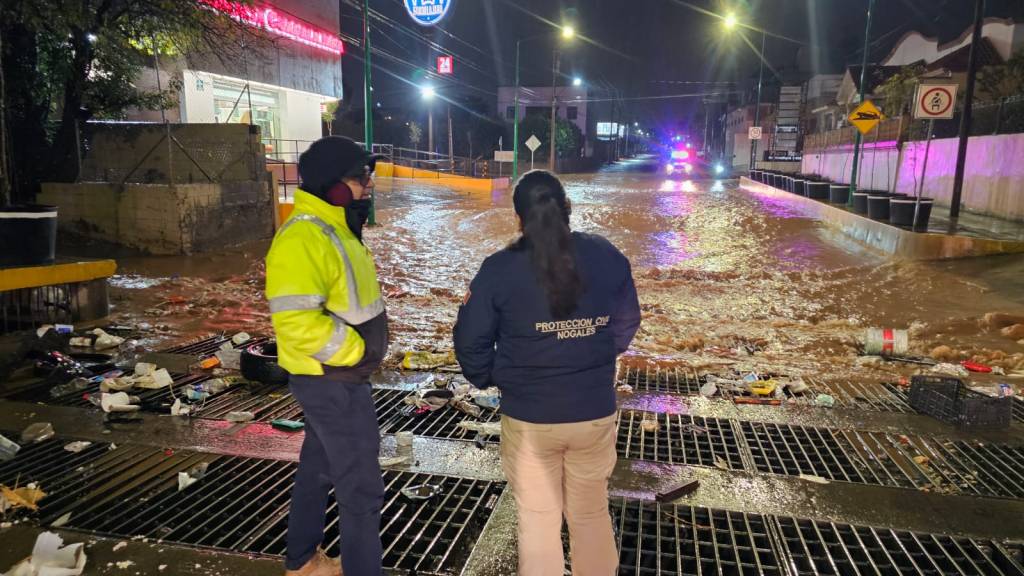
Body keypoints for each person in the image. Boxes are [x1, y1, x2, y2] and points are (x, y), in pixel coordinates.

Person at [454, 170, 641, 575]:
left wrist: (493, 376)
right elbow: (626, 323)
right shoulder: (607, 256)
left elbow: (470, 341)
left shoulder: (498, 269)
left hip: (530, 418)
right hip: (593, 412)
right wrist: (592, 359)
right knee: (590, 516)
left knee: (538, 521)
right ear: (566, 209)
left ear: (518, 218)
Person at [265, 136, 388, 576]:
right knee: (362, 490)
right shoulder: (303, 237)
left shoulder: (336, 227)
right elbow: (296, 322)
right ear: (332, 184)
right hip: (333, 381)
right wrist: (355, 352)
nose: (368, 185)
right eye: (359, 177)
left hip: (340, 378)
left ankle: (301, 561)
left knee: (317, 468)